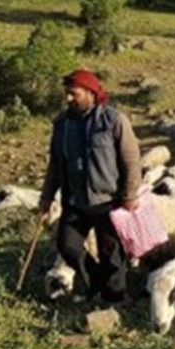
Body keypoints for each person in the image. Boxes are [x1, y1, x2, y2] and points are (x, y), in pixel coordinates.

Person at [38, 69, 142, 304]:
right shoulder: (62, 124)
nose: (68, 99)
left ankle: (115, 297)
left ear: (90, 93)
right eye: (67, 94)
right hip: (75, 200)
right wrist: (47, 196)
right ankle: (95, 281)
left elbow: (131, 160)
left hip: (108, 199)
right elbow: (55, 163)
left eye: (73, 94)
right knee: (68, 245)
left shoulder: (113, 121)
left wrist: (129, 194)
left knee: (111, 253)